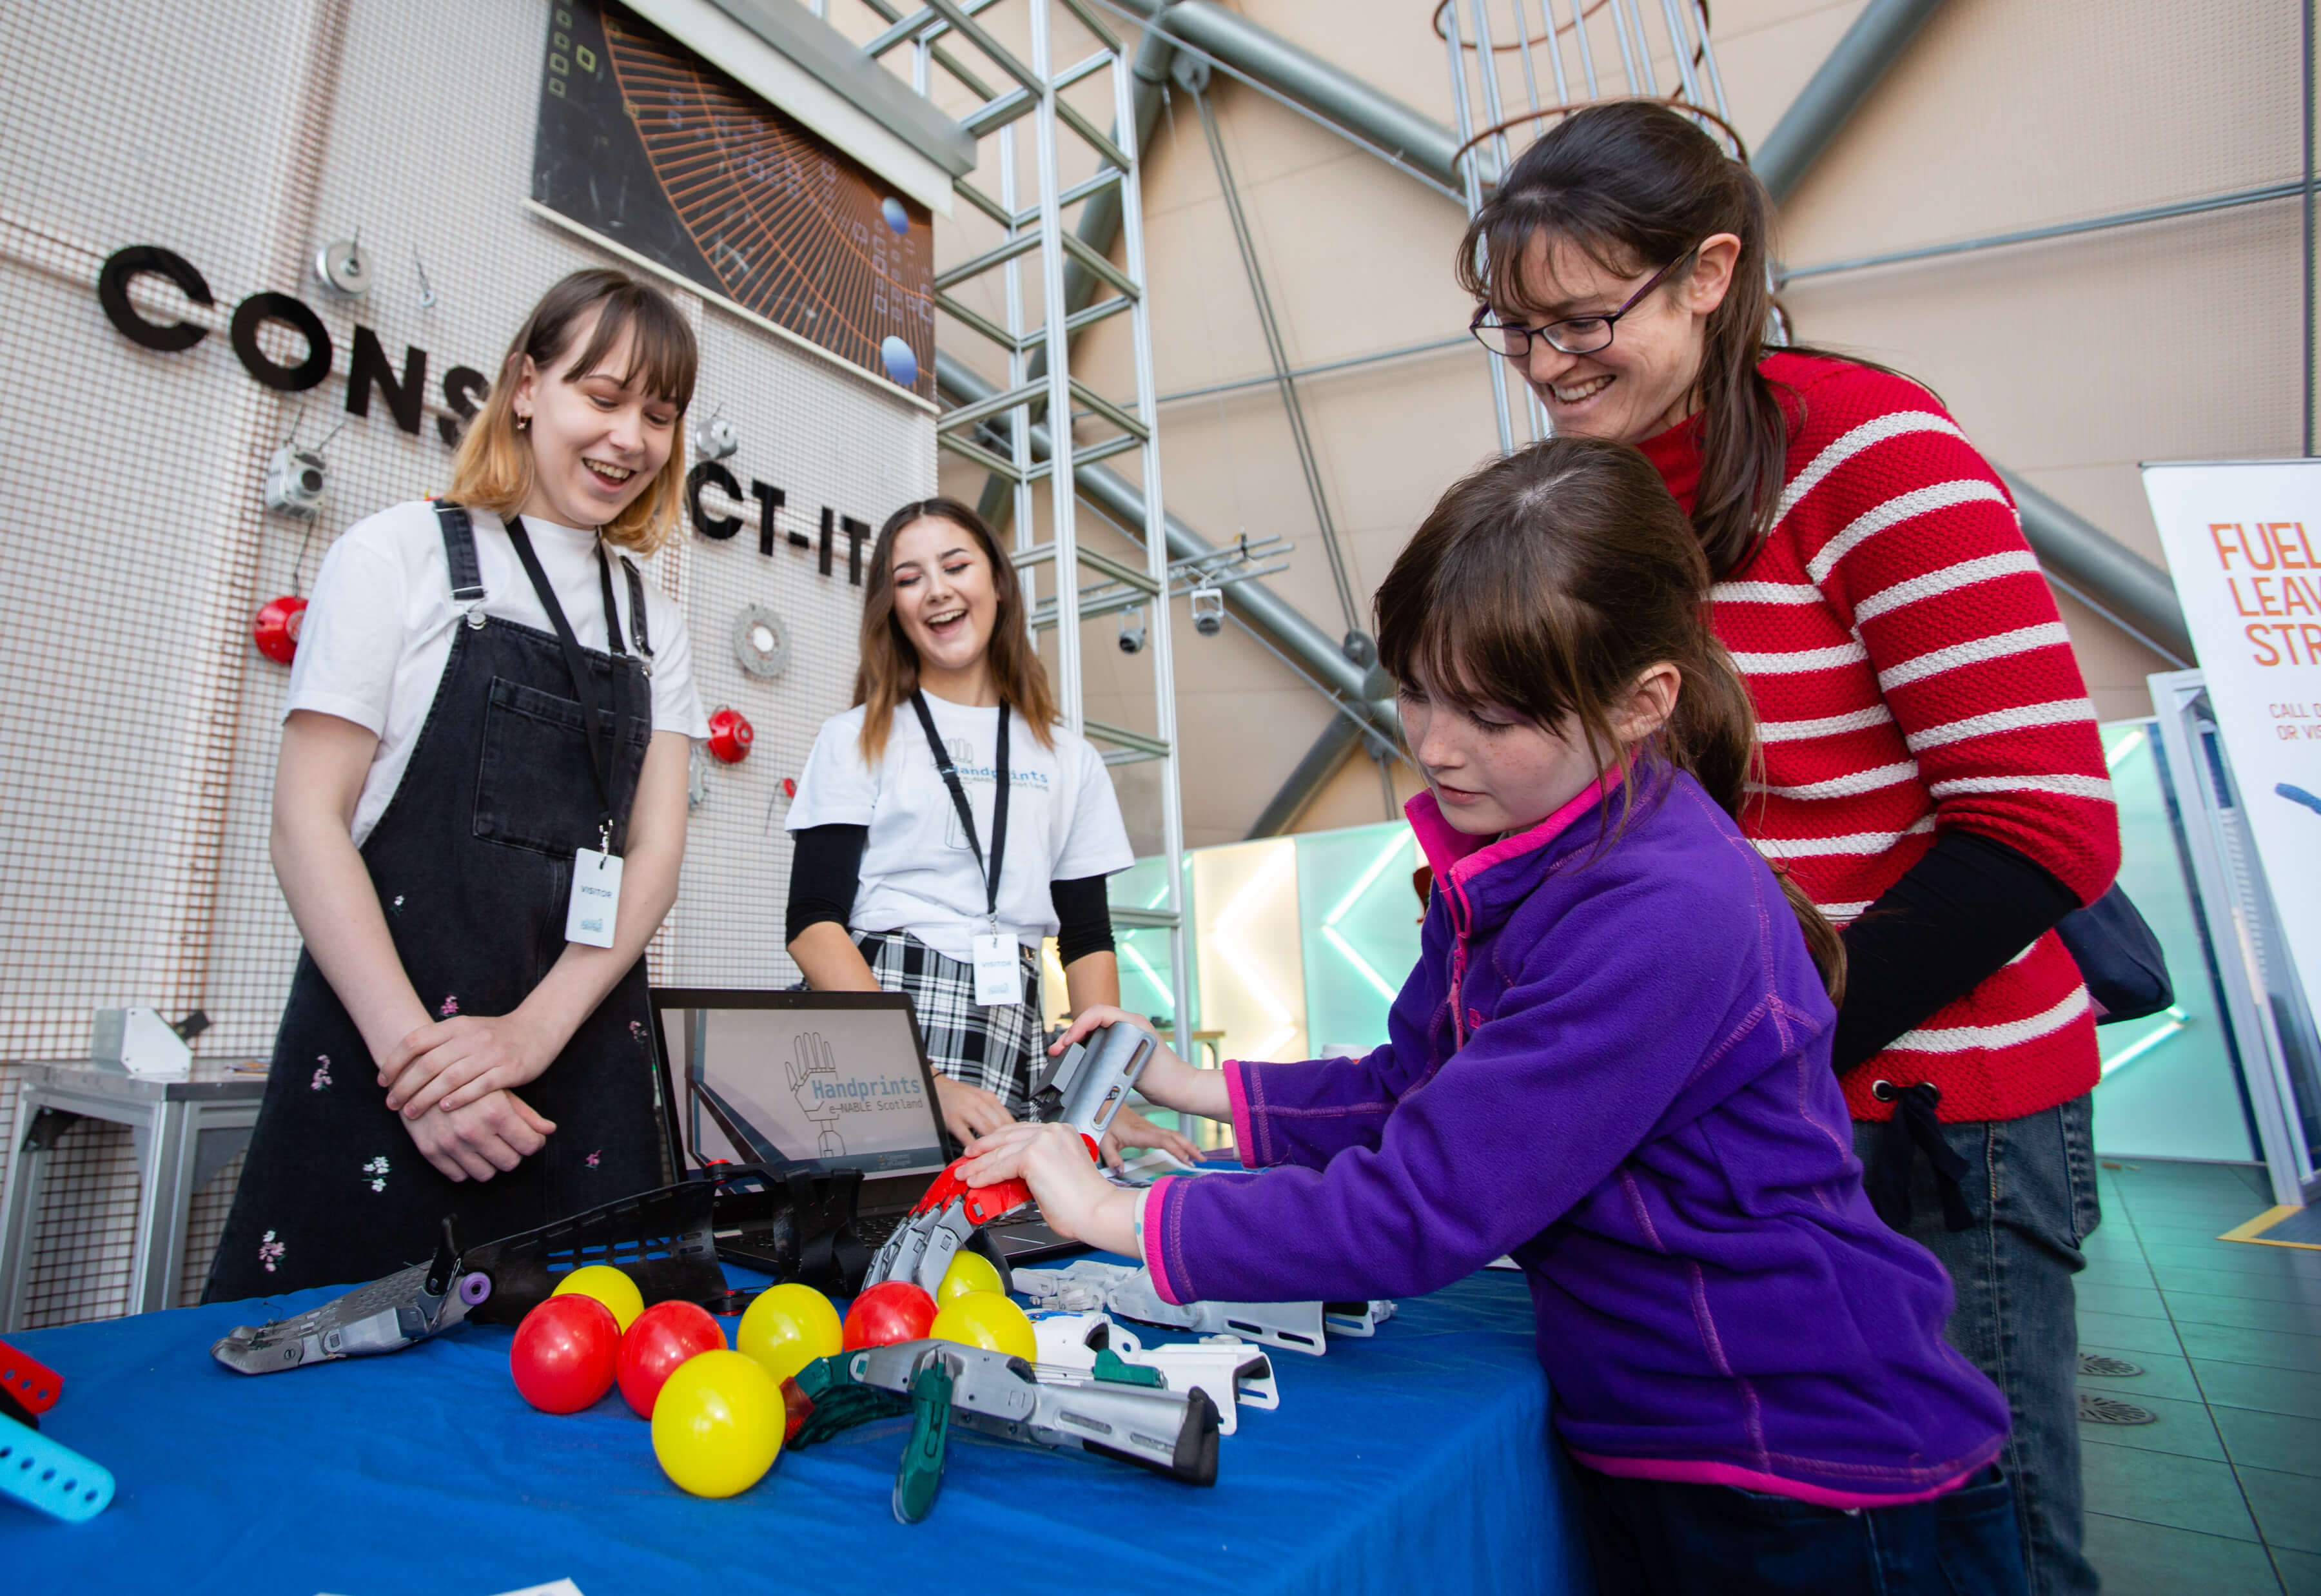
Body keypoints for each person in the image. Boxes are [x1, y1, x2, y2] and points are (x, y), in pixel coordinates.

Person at [963, 438, 2026, 1596]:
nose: (1431, 744)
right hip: (1685, 1433)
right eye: (1416, 688)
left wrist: (1121, 1213)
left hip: (1802, 1459)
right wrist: (1184, 1083)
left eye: (1493, 714)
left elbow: (1431, 1195)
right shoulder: (1512, 850)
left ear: (1641, 706)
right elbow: (1417, 1089)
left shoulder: (1662, 908)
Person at [1451, 102, 2120, 1595]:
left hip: (1938, 1109)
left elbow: (2041, 823)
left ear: (1707, 273)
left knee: (1984, 1523)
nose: (1547, 365)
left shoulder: (1868, 450)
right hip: (1764, 1107)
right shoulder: (1615, 492)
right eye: (1516, 329)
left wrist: (1769, 1031)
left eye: (1581, 321)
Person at [206, 269, 707, 1300]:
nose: (630, 440)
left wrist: (530, 1034)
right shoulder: (394, 556)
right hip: (387, 1071)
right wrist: (421, 1070)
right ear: (526, 386)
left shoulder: (655, 622)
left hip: (577, 1072)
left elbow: (655, 855)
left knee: (584, 1411)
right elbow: (307, 823)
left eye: (658, 415)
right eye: (602, 398)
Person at [785, 497, 1198, 1165]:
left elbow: (1088, 939)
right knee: (870, 1244)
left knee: (1002, 1244)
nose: (938, 591)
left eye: (955, 565)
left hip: (1011, 1024)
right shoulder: (855, 737)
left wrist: (1097, 1104)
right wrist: (917, 1077)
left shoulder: (1069, 758)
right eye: (910, 577)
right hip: (878, 1021)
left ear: (998, 584)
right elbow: (812, 922)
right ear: (891, 606)